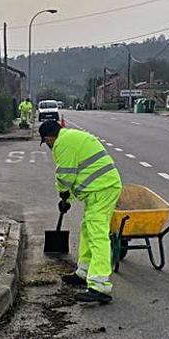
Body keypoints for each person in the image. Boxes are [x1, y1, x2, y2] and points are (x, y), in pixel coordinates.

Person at [39, 120, 122, 303]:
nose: (48, 147)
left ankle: (100, 286)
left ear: (49, 138)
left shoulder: (62, 144)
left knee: (97, 234)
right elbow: (75, 172)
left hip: (102, 188)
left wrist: (64, 196)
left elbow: (66, 176)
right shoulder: (70, 137)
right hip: (100, 188)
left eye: (46, 143)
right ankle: (83, 272)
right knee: (87, 229)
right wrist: (67, 200)